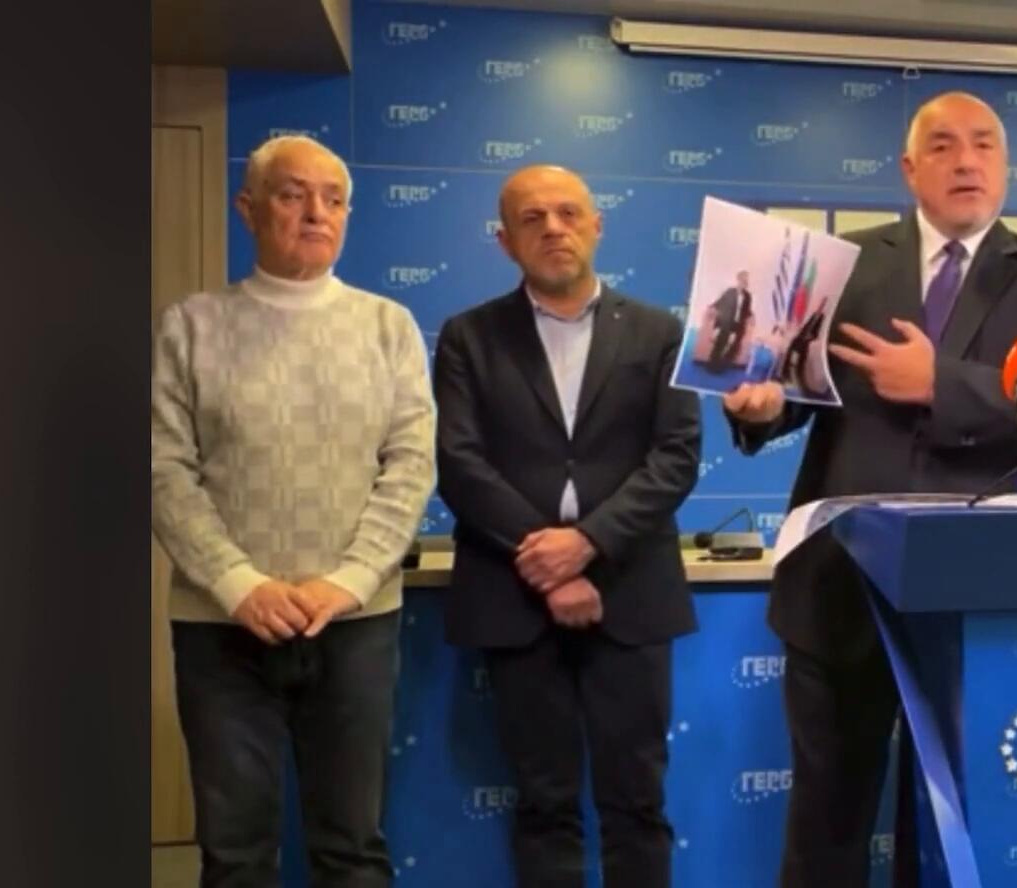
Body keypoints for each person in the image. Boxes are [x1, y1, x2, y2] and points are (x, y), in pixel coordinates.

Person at [721, 91, 1017, 888]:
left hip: (981, 595)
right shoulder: (841, 263)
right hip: (840, 590)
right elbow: (791, 391)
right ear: (908, 168)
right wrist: (759, 408)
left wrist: (942, 383)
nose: (966, 161)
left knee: (953, 827)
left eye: (984, 145)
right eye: (943, 146)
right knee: (826, 826)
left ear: (1006, 165)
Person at [150, 134, 435, 887]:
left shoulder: (388, 326)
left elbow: (410, 465)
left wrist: (349, 580)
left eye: (334, 199)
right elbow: (162, 469)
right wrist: (239, 584)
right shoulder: (189, 325)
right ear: (248, 209)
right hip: (222, 628)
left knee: (352, 846)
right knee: (235, 851)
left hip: (356, 622)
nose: (316, 213)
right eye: (292, 194)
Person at [433, 164, 702, 888]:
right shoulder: (468, 337)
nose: (553, 228)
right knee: (544, 803)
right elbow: (459, 462)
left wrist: (587, 544)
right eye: (532, 218)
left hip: (631, 592)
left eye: (568, 213)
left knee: (637, 802)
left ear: (596, 226)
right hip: (515, 596)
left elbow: (676, 456)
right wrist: (548, 566)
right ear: (504, 241)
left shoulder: (659, 332)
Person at [708, 270, 753, 370]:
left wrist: (751, 316)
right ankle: (713, 363)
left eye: (746, 281)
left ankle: (724, 363)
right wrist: (712, 307)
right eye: (743, 280)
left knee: (737, 343)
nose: (745, 283)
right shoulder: (730, 291)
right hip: (727, 321)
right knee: (722, 339)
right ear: (738, 280)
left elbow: (747, 310)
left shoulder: (748, 296)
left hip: (738, 323)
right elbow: (720, 301)